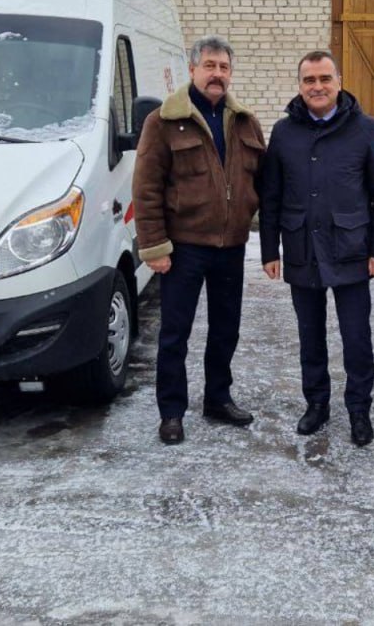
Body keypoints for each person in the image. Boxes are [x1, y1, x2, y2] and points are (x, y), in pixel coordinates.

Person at [259, 50, 374, 447]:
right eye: (309, 80)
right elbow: (271, 195)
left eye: (324, 78)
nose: (317, 87)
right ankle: (317, 404)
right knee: (310, 336)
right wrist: (270, 250)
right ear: (299, 85)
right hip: (302, 249)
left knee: (356, 338)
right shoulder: (284, 132)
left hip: (351, 250)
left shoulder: (365, 129)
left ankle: (359, 410)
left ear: (339, 81)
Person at [133, 35, 266, 445]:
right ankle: (172, 412)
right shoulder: (162, 122)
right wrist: (155, 247)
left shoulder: (245, 122)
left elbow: (263, 183)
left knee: (226, 329)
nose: (217, 74)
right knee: (175, 333)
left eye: (223, 67)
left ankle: (217, 398)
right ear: (192, 70)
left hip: (231, 246)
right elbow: (146, 189)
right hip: (184, 247)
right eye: (209, 66)